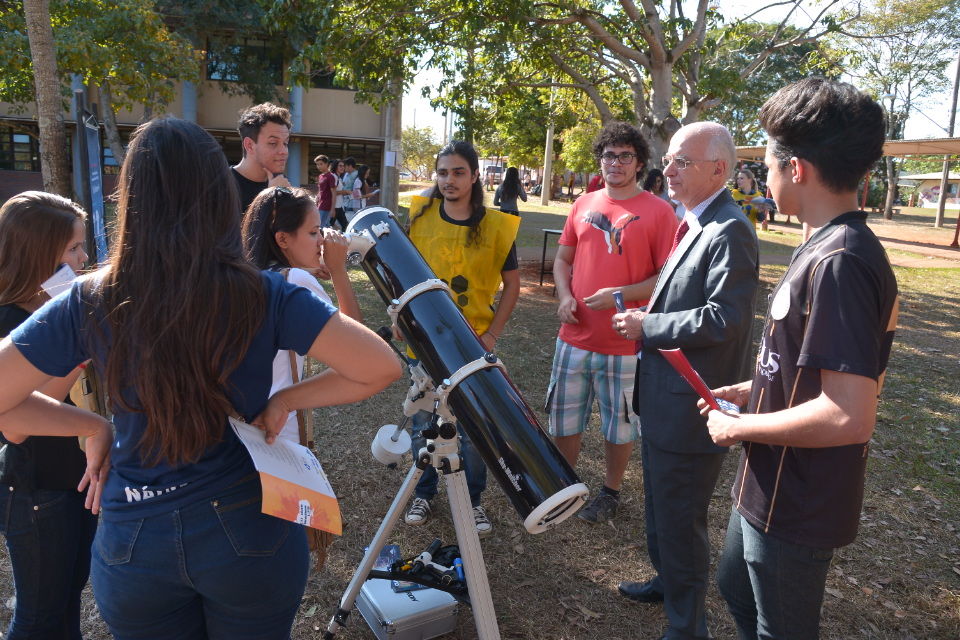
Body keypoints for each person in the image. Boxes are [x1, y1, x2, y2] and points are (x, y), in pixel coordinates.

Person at [0, 117, 401, 640]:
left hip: (134, 539)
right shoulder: (265, 291)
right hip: (248, 527)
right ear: (218, 195)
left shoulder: (91, 297)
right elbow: (379, 366)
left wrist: (93, 427)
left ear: (133, 199)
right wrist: (285, 400)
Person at [702, 78, 898, 640]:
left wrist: (739, 427)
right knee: (735, 590)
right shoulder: (822, 243)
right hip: (766, 483)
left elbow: (847, 415)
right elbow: (811, 365)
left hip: (798, 500)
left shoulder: (842, 261)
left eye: (766, 165)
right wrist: (755, 390)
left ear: (797, 169)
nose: (763, 178)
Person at [612, 122, 759, 639]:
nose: (667, 170)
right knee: (661, 511)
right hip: (665, 400)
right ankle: (668, 584)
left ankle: (687, 625)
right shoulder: (695, 218)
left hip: (691, 407)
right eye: (669, 159)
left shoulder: (730, 229)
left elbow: (725, 319)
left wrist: (648, 326)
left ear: (719, 169)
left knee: (680, 518)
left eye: (682, 161)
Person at [548, 122, 676, 524]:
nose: (615, 163)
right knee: (564, 419)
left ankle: (610, 491)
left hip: (625, 343)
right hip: (573, 337)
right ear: (599, 160)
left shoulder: (659, 211)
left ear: (639, 163)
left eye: (625, 156)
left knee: (619, 426)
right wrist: (564, 296)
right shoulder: (583, 204)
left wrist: (619, 292)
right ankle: (564, 486)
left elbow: (667, 277)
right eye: (609, 155)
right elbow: (563, 259)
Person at [401, 141, 521, 536]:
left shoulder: (497, 226)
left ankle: (472, 500)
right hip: (423, 341)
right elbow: (398, 272)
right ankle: (423, 492)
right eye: (442, 172)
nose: (448, 180)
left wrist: (492, 333)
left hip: (471, 346)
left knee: (472, 429)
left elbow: (512, 285)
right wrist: (401, 318)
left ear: (474, 176)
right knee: (423, 422)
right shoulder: (419, 217)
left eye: (457, 172)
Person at [0, 191, 98, 639]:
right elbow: (20, 418)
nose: (84, 258)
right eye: (74, 248)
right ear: (39, 255)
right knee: (39, 617)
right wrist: (80, 351)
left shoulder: (52, 307)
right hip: (34, 487)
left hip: (73, 476)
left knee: (66, 600)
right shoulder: (10, 322)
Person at [242, 186, 363, 443]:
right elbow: (358, 348)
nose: (321, 240)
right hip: (278, 428)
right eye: (313, 232)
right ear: (283, 239)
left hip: (244, 422)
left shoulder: (248, 278)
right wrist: (338, 271)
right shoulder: (294, 280)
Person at [232, 102, 292, 214]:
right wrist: (270, 199)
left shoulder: (281, 182)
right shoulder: (221, 185)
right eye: (273, 143)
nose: (284, 151)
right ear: (250, 145)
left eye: (285, 143)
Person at [313, 154, 337, 228]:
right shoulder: (320, 176)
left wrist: (332, 209)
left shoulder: (330, 176)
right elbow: (320, 190)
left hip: (327, 206)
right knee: (319, 226)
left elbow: (334, 193)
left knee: (322, 227)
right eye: (317, 164)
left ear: (326, 164)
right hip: (320, 205)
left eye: (321, 164)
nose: (319, 166)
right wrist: (316, 200)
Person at [330, 159, 349, 231]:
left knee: (345, 225)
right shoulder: (334, 177)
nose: (342, 167)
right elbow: (332, 192)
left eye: (343, 166)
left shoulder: (339, 177)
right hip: (334, 206)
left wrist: (344, 192)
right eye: (340, 166)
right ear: (335, 167)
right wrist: (344, 192)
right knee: (328, 226)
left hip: (339, 206)